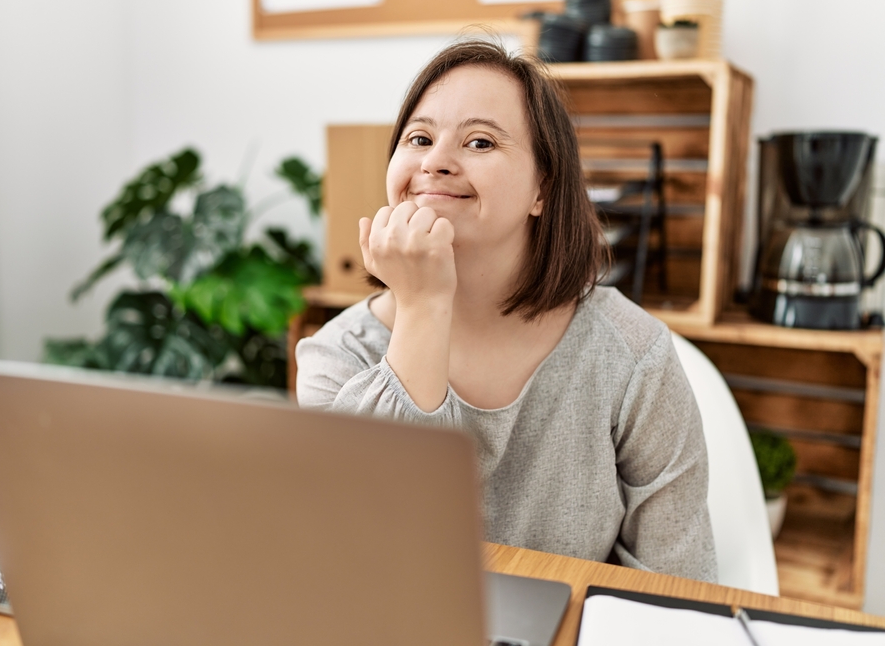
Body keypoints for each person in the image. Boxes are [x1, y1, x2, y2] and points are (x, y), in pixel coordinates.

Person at [295, 40, 717, 582]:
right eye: (419, 138)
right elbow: (358, 561)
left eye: (479, 141)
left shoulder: (633, 357)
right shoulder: (338, 355)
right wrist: (423, 305)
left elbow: (676, 588)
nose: (435, 162)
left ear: (543, 187)